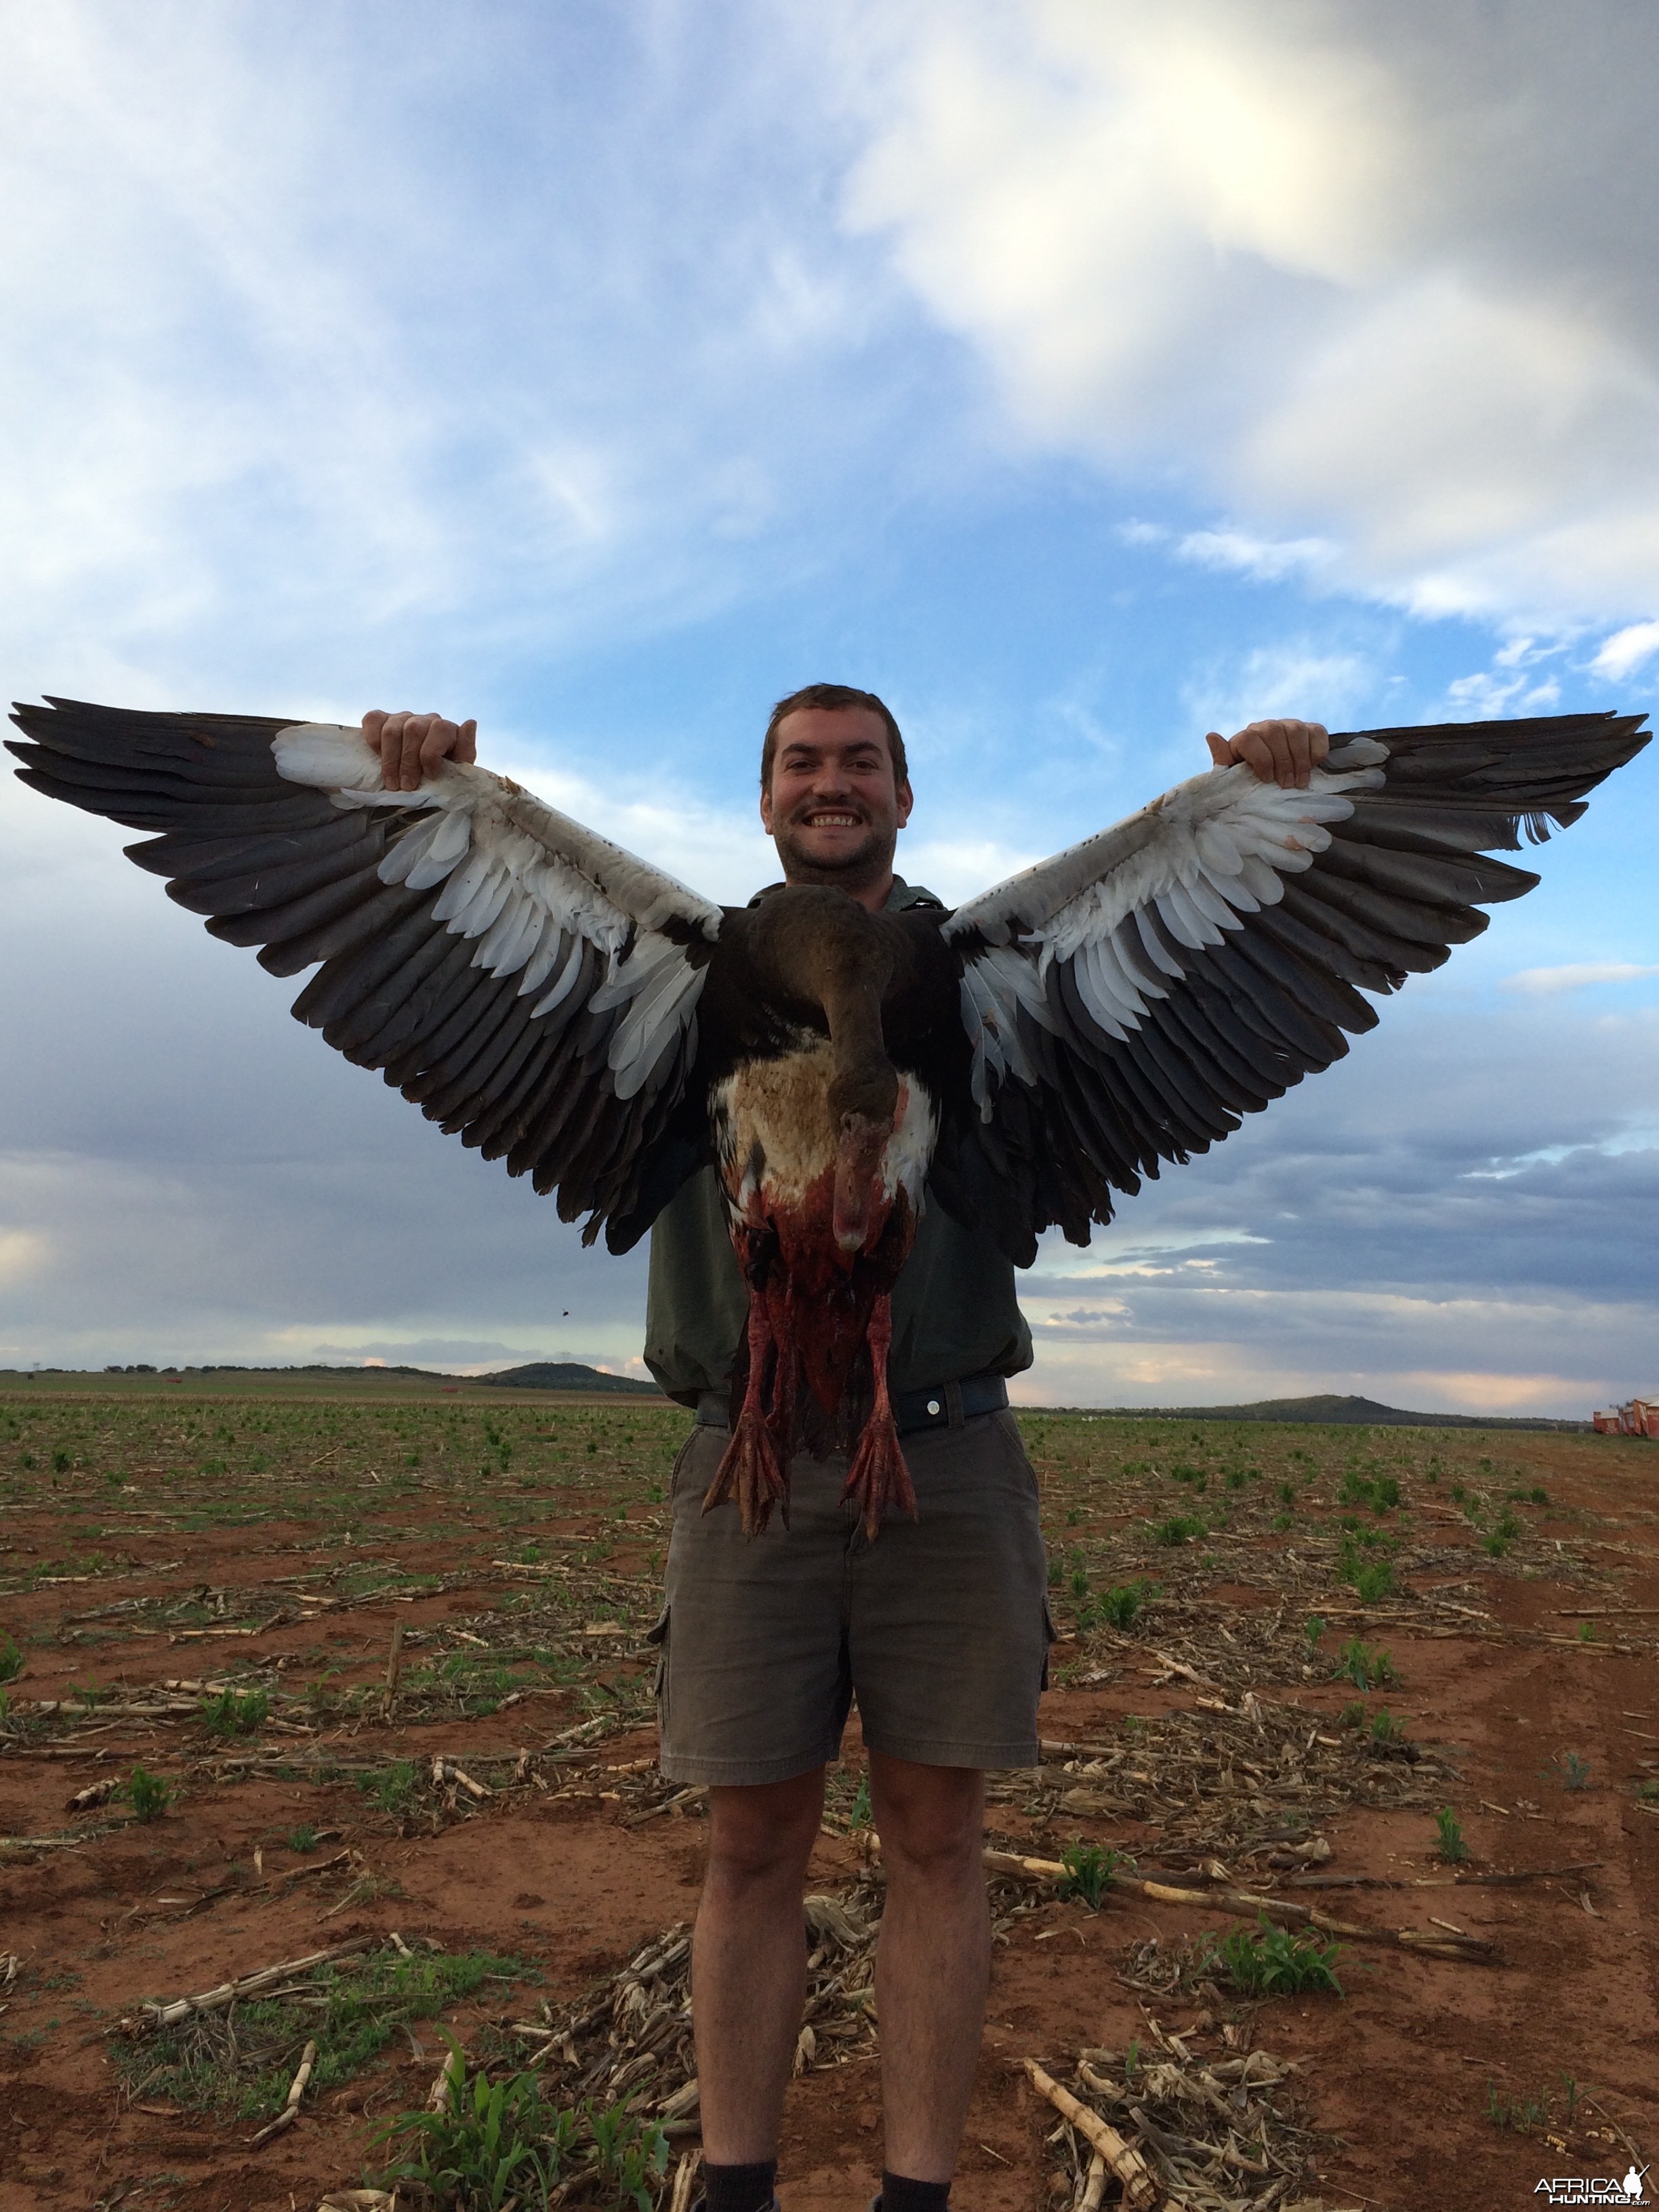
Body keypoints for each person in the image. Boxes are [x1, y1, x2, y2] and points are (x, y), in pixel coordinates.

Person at [360, 691, 1330, 2211]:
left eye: (859, 765)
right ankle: (738, 2190)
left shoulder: (986, 967)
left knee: (939, 1836)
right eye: (804, 766)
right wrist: (404, 778)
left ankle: (914, 2195)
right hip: (747, 1461)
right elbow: (397, 836)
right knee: (752, 1842)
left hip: (944, 1459)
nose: (832, 785)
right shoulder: (680, 967)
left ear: (903, 795)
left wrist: (1280, 791)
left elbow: (1284, 860)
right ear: (764, 804)